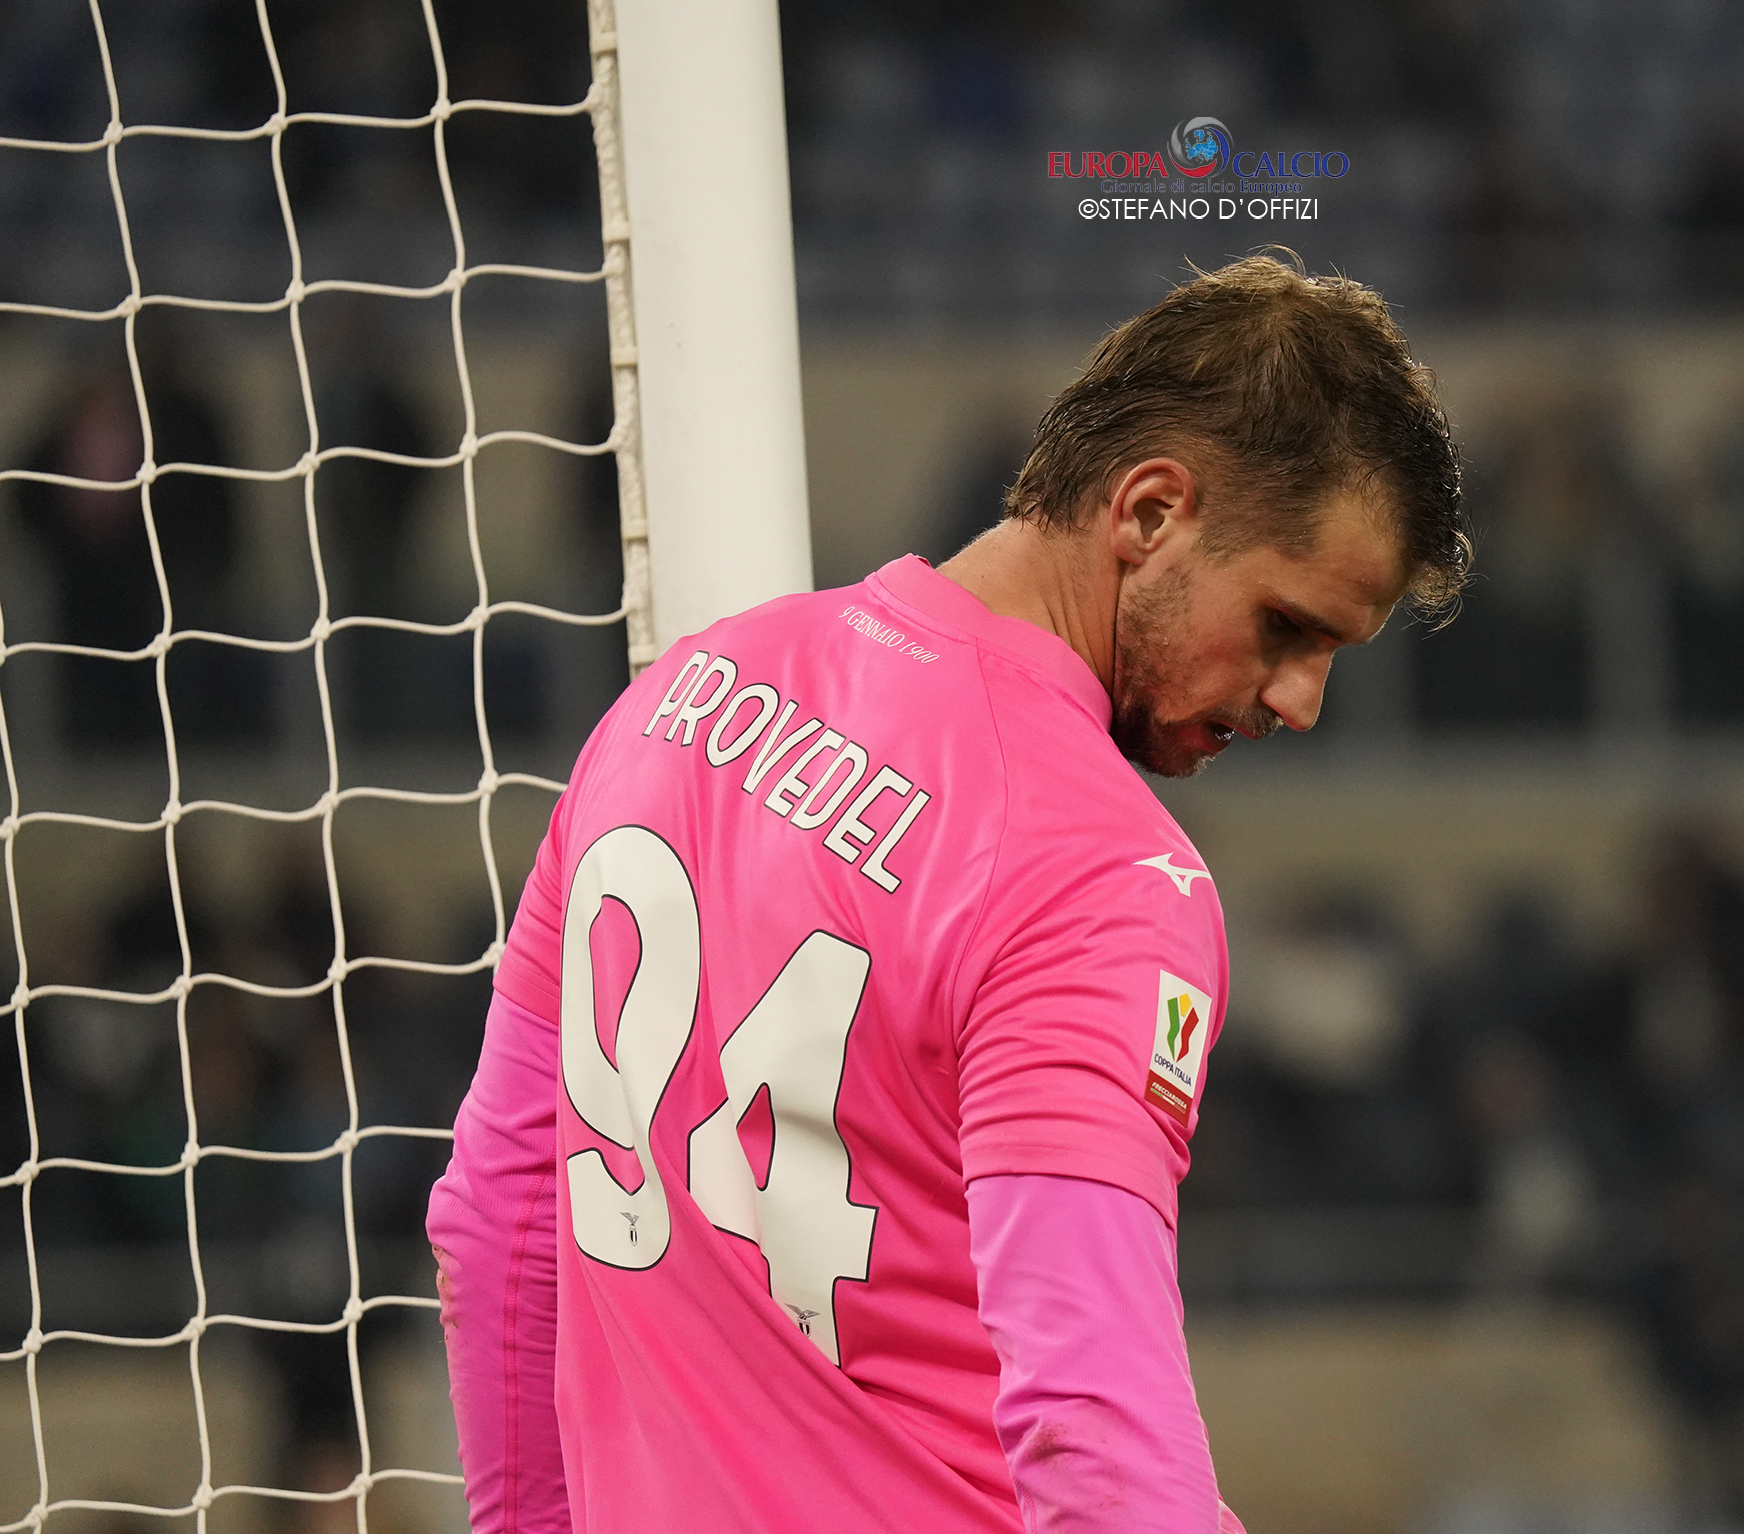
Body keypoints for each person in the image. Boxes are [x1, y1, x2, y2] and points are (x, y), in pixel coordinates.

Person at [425, 254, 1469, 1533]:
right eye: (1285, 628)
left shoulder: (679, 697)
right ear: (1148, 512)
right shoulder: (1097, 869)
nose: (1299, 701)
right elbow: (1092, 1425)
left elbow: (498, 1216)